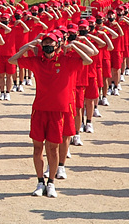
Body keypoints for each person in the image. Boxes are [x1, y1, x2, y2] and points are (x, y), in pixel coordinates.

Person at [11, 31, 94, 197]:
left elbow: (89, 59)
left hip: (58, 111)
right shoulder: (36, 62)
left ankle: (51, 183)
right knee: (37, 149)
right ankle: (40, 181)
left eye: (51, 43)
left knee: (53, 148)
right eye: (45, 43)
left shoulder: (67, 61)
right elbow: (12, 60)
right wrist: (26, 47)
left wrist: (74, 46)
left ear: (57, 45)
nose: (47, 46)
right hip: (40, 110)